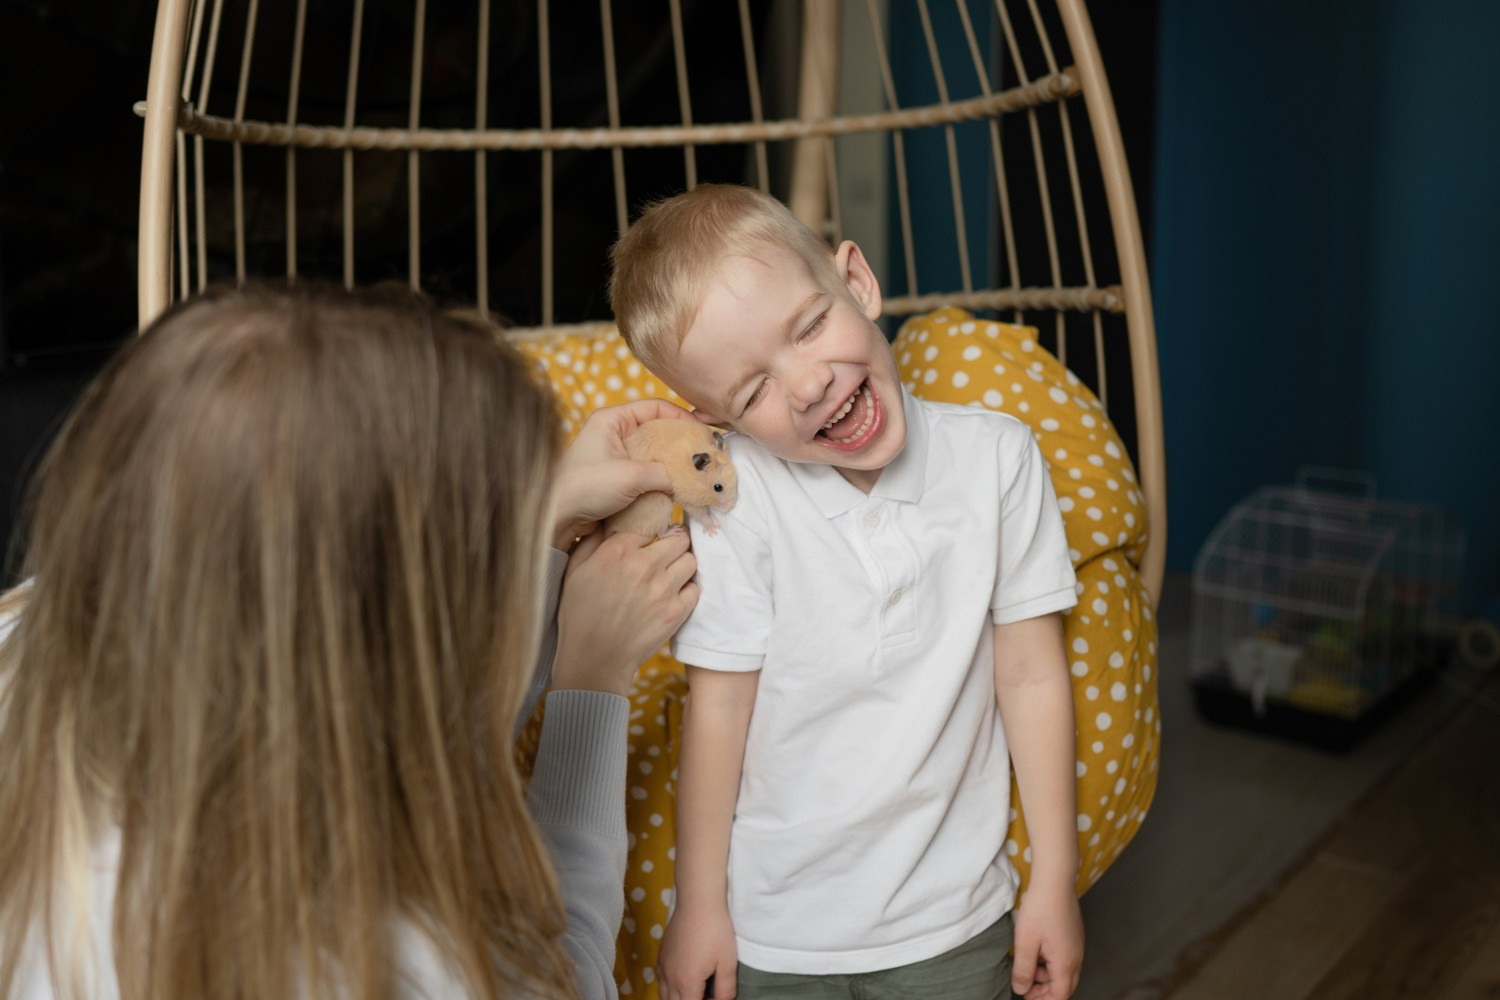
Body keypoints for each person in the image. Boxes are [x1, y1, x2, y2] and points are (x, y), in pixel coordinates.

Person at [0, 282, 700, 999]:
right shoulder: (396, 963)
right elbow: (566, 977)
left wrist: (543, 525)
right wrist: (591, 681)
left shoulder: (29, 626)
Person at [608, 184, 1085, 1000]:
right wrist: (701, 908)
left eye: (808, 327)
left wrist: (1054, 883)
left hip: (955, 920)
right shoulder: (739, 503)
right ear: (718, 423)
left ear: (855, 284)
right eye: (752, 392)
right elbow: (718, 711)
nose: (805, 386)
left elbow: (1033, 677)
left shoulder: (999, 461)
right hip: (776, 934)